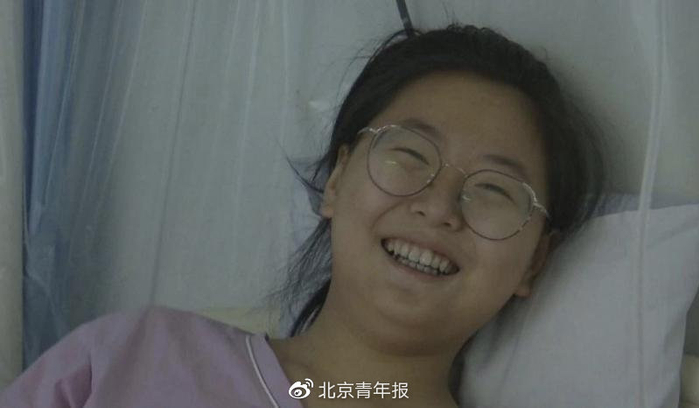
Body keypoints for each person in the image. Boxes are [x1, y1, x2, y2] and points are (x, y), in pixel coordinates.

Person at [0, 24, 604, 407]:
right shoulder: (129, 358)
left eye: (495, 190)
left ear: (535, 260)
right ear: (336, 180)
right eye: (410, 155)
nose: (438, 206)